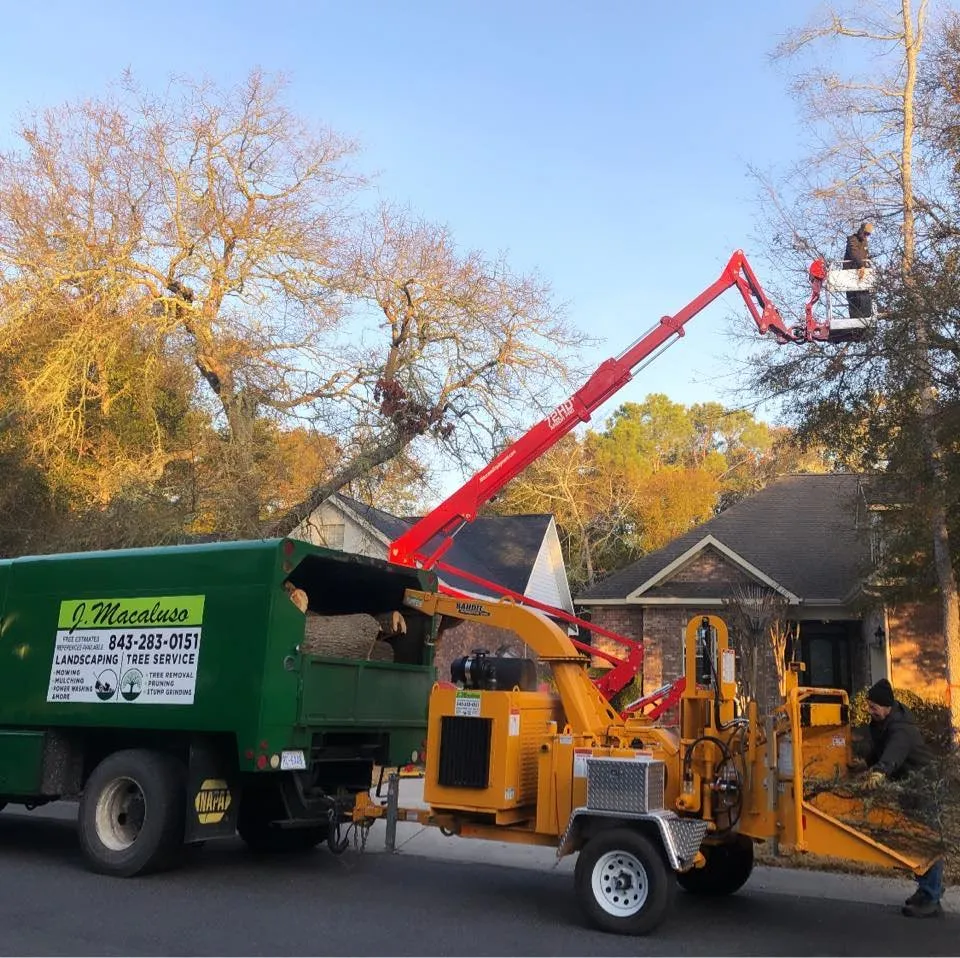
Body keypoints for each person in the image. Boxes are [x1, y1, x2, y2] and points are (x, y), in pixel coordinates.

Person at [861, 678, 944, 918]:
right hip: (910, 788)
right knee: (914, 840)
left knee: (927, 840)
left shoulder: (901, 729)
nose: (870, 710)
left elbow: (893, 753)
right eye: (868, 705)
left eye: (873, 706)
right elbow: (880, 748)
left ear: (886, 706)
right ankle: (926, 888)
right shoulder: (884, 723)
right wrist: (864, 763)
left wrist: (879, 772)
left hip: (925, 787)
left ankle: (931, 897)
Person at [842, 221, 874, 319]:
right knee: (853, 296)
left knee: (864, 295)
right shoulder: (852, 240)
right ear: (861, 230)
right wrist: (861, 265)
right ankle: (855, 317)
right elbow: (854, 253)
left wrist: (867, 264)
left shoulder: (864, 242)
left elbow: (864, 256)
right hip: (851, 272)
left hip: (862, 273)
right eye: (865, 233)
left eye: (868, 234)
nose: (866, 236)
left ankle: (866, 315)